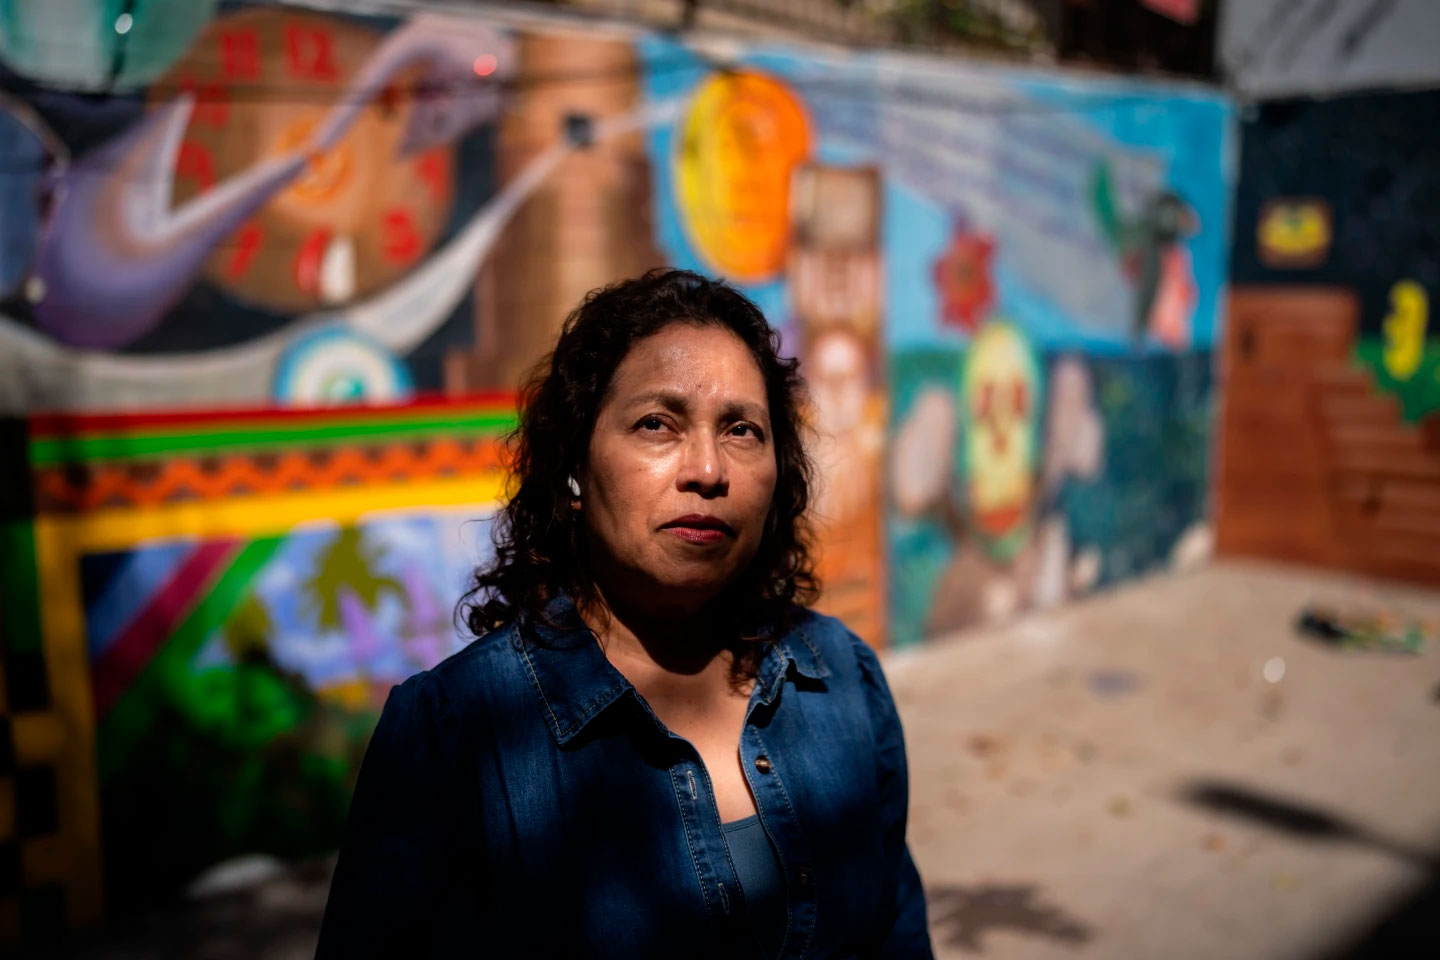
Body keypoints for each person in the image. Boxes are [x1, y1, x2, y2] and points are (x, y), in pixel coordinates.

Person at [315, 269, 932, 958]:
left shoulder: (840, 678)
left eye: (741, 430)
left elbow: (897, 939)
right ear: (575, 466)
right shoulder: (455, 734)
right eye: (656, 424)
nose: (708, 470)